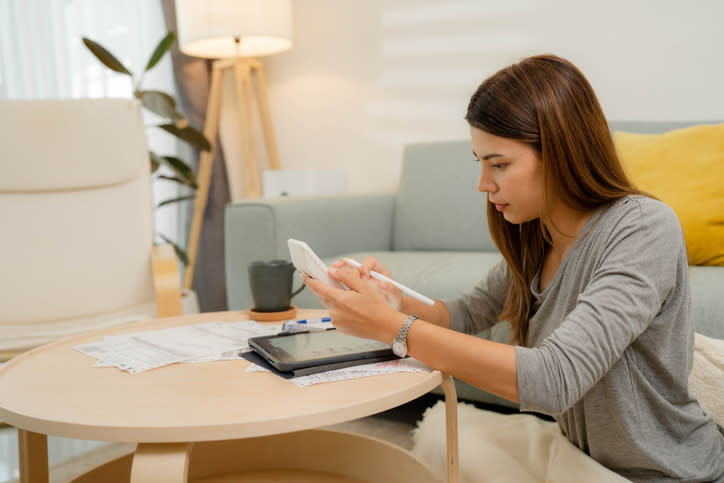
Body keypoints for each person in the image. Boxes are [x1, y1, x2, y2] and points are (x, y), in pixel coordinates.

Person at [302, 54, 724, 481]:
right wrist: (392, 302)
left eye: (498, 164)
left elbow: (555, 379)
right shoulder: (537, 236)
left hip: (666, 472)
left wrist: (396, 329)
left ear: (560, 153)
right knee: (440, 433)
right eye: (480, 162)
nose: (483, 184)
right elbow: (462, 315)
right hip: (579, 457)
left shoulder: (643, 228)